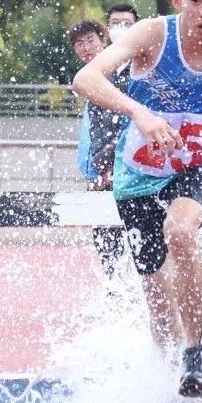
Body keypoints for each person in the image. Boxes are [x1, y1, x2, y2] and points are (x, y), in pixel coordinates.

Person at [71, 0, 202, 398]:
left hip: (199, 164)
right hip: (139, 170)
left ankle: (196, 355)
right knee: (157, 296)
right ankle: (169, 386)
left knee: (181, 231)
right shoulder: (153, 34)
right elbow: (86, 79)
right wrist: (140, 113)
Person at [70, 19, 128, 278]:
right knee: (105, 236)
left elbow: (124, 121)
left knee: (128, 231)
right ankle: (113, 284)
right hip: (101, 169)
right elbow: (96, 129)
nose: (86, 48)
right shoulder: (88, 79)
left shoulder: (121, 73)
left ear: (103, 40)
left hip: (122, 167)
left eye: (90, 40)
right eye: (79, 44)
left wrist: (111, 154)